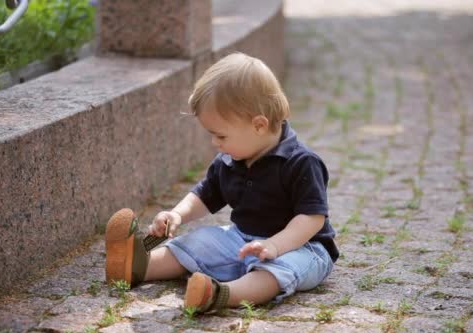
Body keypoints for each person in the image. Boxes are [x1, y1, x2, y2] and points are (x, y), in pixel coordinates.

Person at [105, 52, 339, 313]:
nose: (215, 143)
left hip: (302, 247)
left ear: (259, 125)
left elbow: (311, 219)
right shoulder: (230, 160)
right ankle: (138, 266)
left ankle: (221, 294)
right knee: (200, 242)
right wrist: (177, 215)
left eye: (221, 135)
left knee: (277, 270)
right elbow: (205, 195)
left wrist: (275, 245)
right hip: (242, 239)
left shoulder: (301, 162)